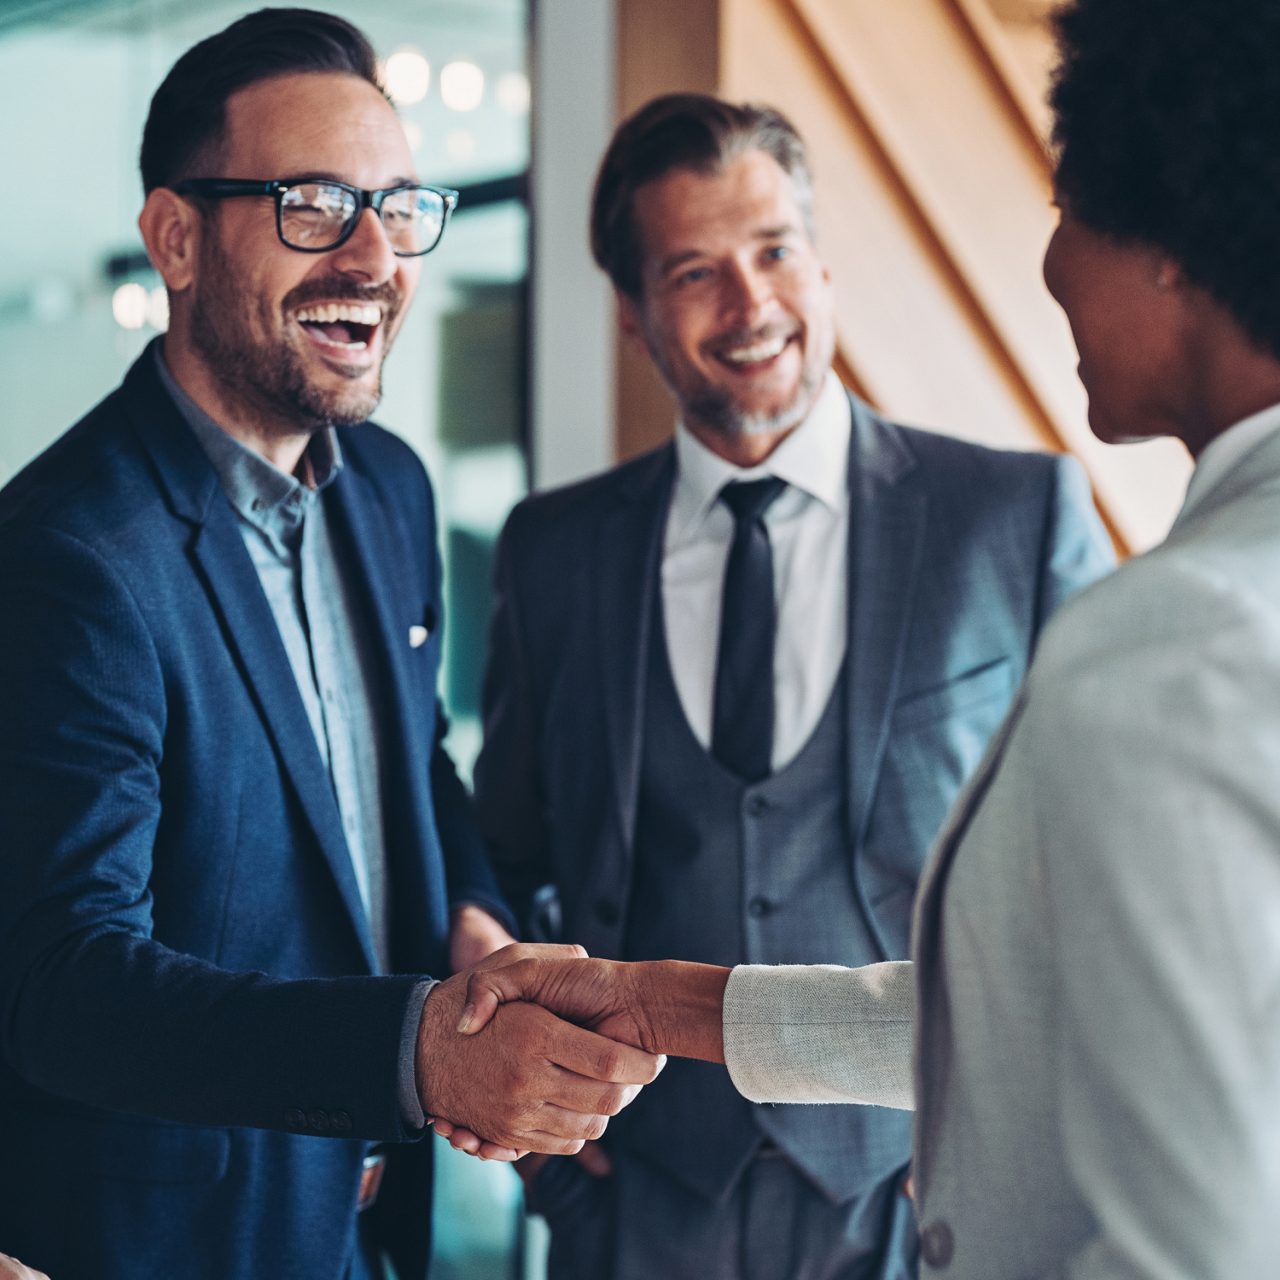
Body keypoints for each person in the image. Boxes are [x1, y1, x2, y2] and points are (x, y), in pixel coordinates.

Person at [446, 1, 1280, 1275]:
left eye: (1069, 210)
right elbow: (1028, 997)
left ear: (1166, 239)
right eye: (690, 270)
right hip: (647, 1202)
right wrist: (626, 1008)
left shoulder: (1154, 612)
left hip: (914, 1201)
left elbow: (1178, 1182)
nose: (1047, 261)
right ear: (631, 310)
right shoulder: (558, 549)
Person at [0, 11, 660, 1280]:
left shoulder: (390, 490)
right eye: (312, 203)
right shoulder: (68, 556)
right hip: (180, 1237)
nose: (372, 256)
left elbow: (414, 764)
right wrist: (417, 1047)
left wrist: (470, 916)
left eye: (398, 205)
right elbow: (65, 981)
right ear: (176, 237)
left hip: (377, 1222)